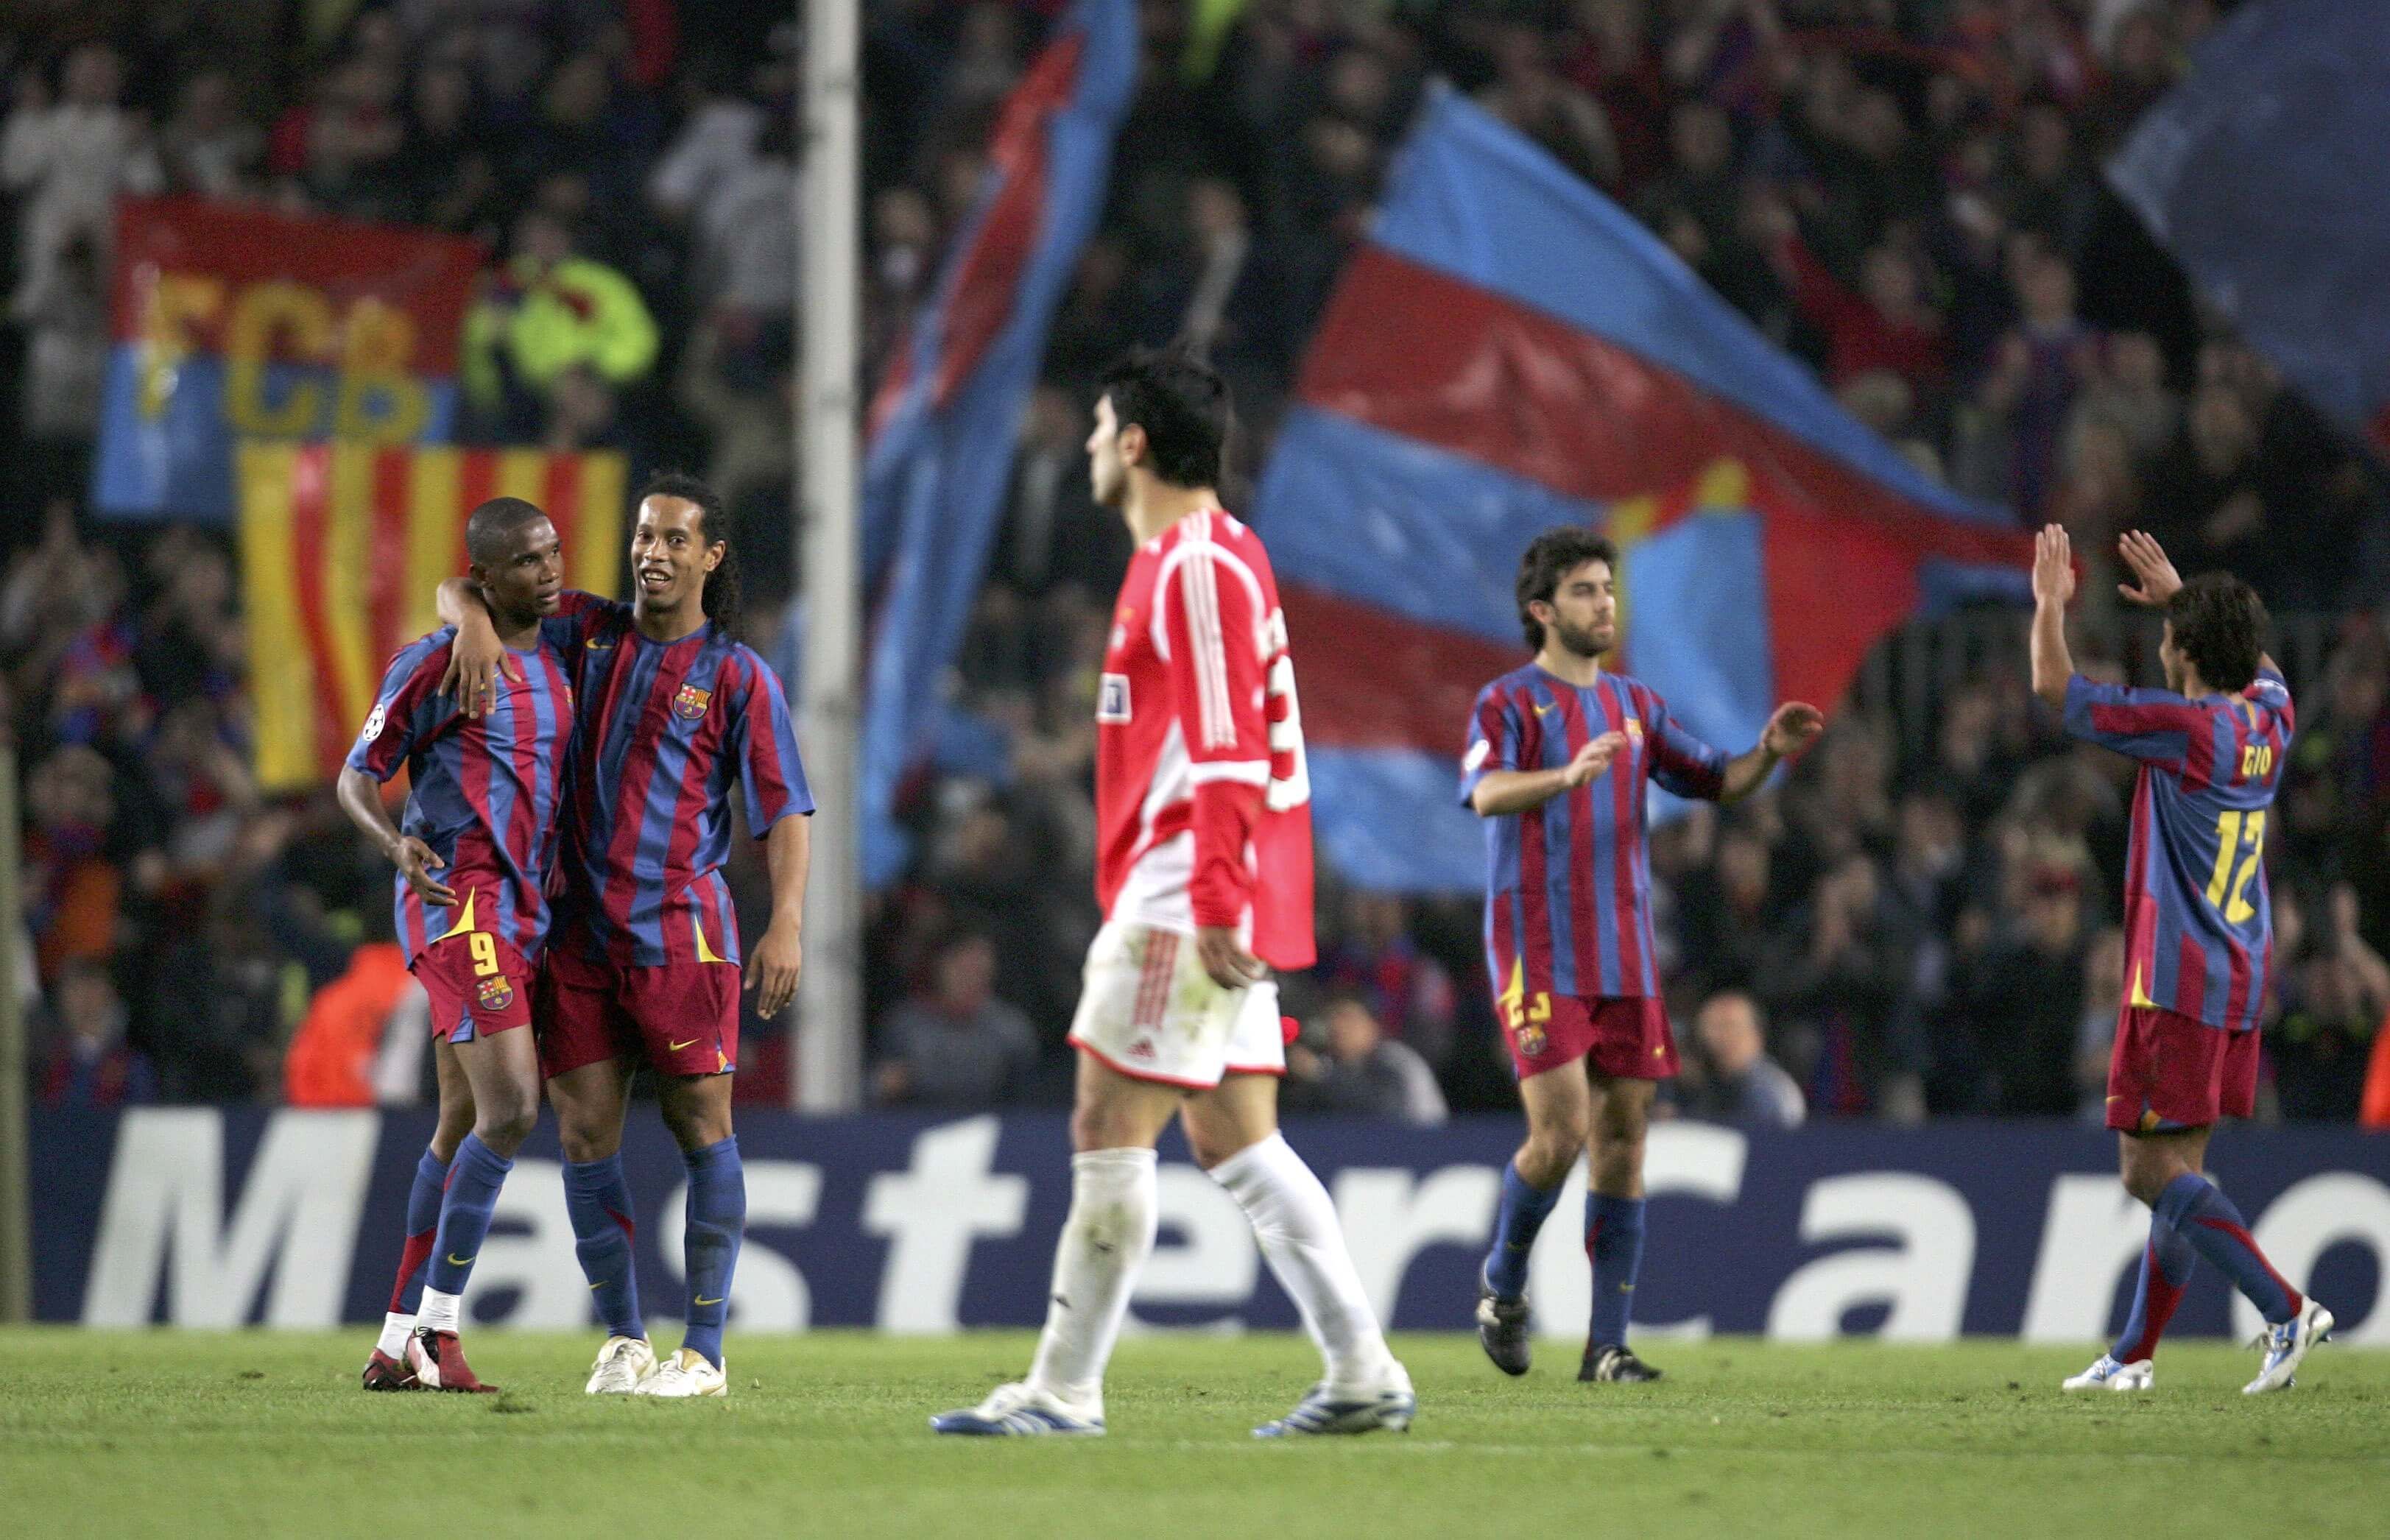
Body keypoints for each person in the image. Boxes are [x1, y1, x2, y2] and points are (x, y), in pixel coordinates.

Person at [931, 349, 1411, 1439]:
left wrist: (1209, 898)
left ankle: (1061, 1390)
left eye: (1101, 428)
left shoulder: (1196, 564)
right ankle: (1362, 1372)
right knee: (1237, 1140)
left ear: (1136, 443)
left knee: (1108, 1120)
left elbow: (1229, 748)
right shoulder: (1208, 557)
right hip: (1203, 876)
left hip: (1185, 884)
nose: (1090, 445)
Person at [441, 473, 811, 1399]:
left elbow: (785, 811)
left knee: (701, 1125)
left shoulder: (736, 674)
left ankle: (707, 1353)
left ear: (710, 556)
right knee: (582, 1132)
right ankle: (623, 1338)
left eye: (676, 539)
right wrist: (475, 623)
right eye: (645, 536)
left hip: (683, 934)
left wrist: (788, 922)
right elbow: (469, 587)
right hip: (574, 932)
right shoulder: (587, 630)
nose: (653, 552)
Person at [1462, 526, 1822, 1384]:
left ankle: (1606, 1346)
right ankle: (1503, 1284)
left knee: (1624, 1139)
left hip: (1625, 949)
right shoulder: (1508, 703)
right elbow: (1484, 793)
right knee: (1559, 1135)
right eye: (1586, 591)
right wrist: (1565, 777)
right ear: (1543, 611)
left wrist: (1767, 751)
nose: (1605, 604)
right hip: (1539, 946)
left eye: (1609, 590)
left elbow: (1720, 780)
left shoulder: (1637, 706)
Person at [2032, 525, 2332, 1395]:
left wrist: (2052, 603)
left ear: (2187, 652)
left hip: (2176, 977)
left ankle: (2284, 1306)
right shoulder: (2272, 715)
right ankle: (2134, 1353)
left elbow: (2055, 688)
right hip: (2239, 975)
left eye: (2169, 635)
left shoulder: (2187, 727)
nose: (2160, 648)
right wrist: (2186, 601)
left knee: (2146, 1169)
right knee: (2182, 1170)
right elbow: (2262, 661)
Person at [336, 497, 574, 1393]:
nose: (548, 571)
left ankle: (396, 1338)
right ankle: (440, 1328)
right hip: (459, 901)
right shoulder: (436, 661)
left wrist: (469, 607)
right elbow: (355, 776)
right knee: (513, 1107)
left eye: (553, 553)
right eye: (525, 562)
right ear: (487, 573)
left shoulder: (555, 656)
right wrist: (395, 842)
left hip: (524, 911)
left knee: (462, 1121)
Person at [1690, 992, 1803, 1130]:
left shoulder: (1769, 1089)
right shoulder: (1702, 1084)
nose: (1724, 1036)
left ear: (1756, 1033)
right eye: (1715, 1027)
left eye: (1732, 1026)